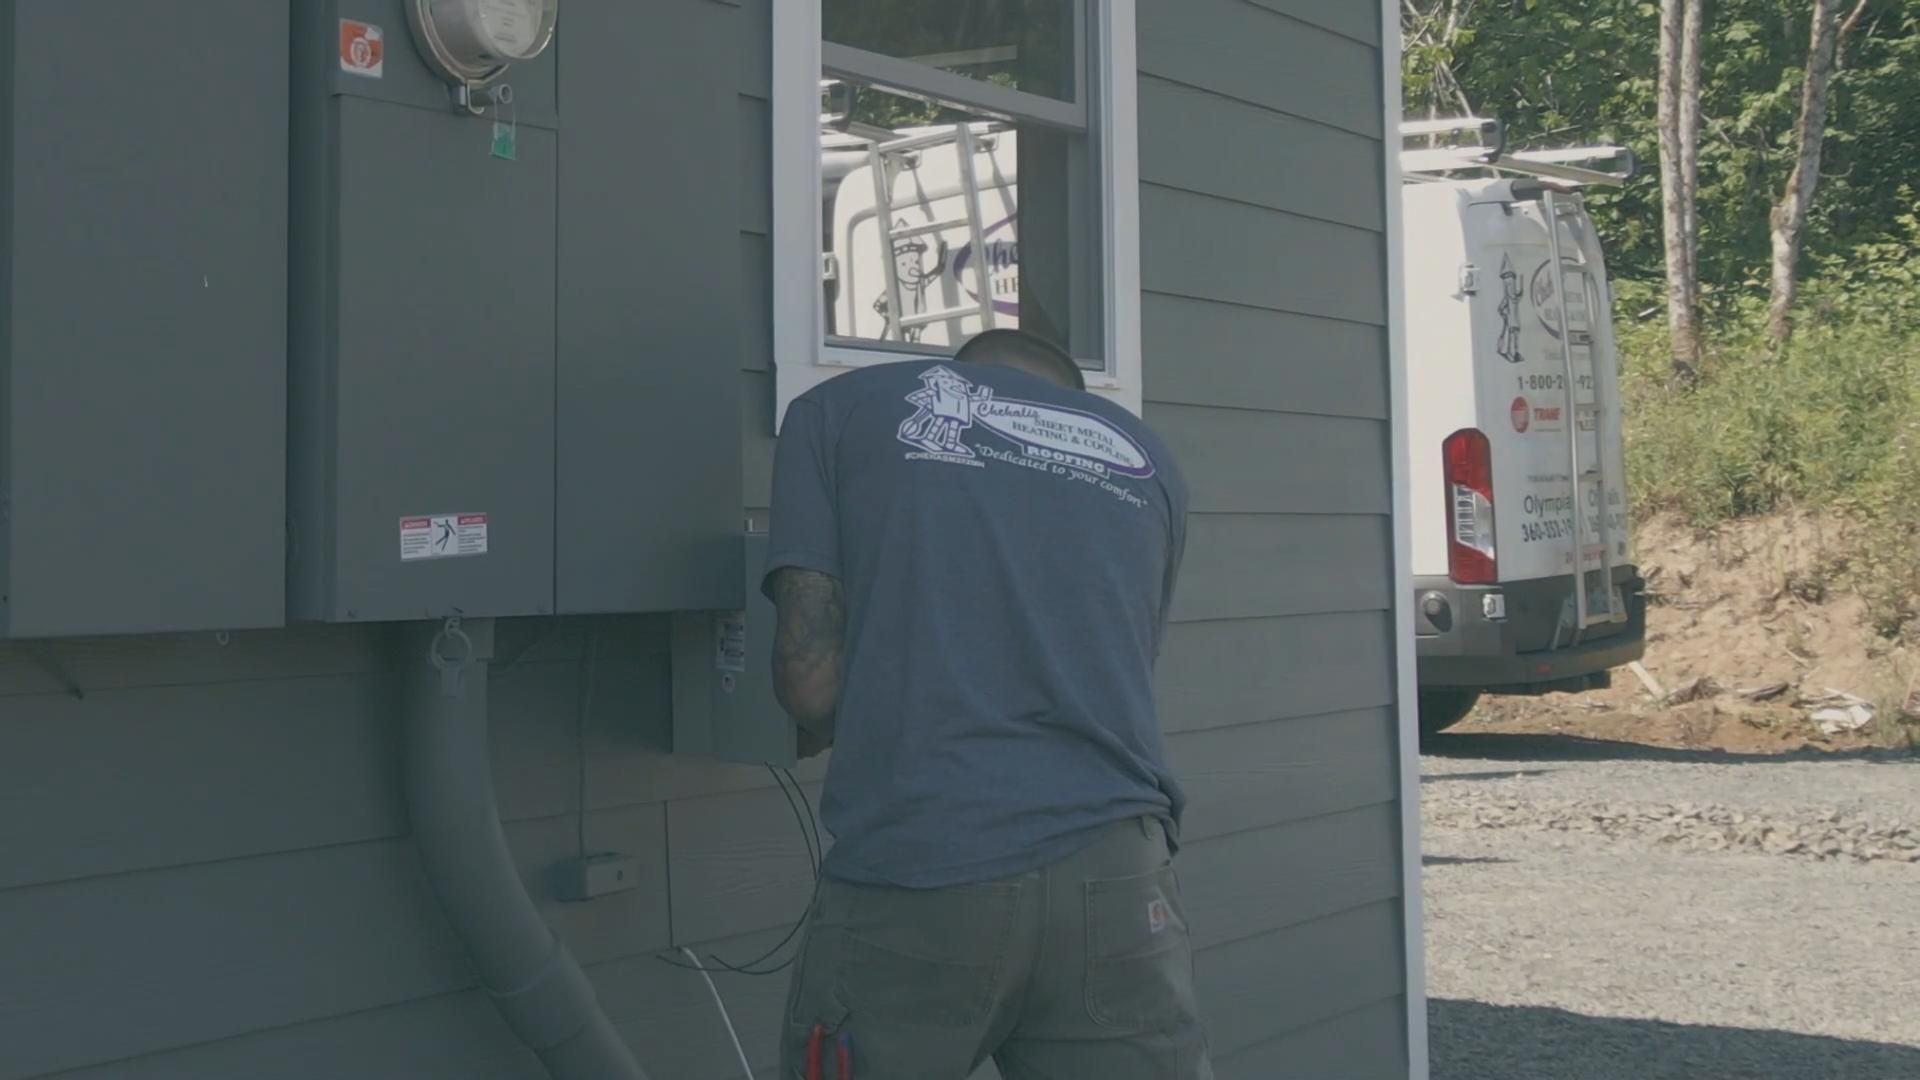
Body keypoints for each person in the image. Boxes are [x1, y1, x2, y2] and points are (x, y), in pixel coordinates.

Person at [762, 327, 1210, 1078]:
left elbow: (812, 681)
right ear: (1070, 396)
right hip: (1120, 877)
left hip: (923, 866)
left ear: (959, 374)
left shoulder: (839, 411)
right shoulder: (1147, 458)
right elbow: (1121, 663)